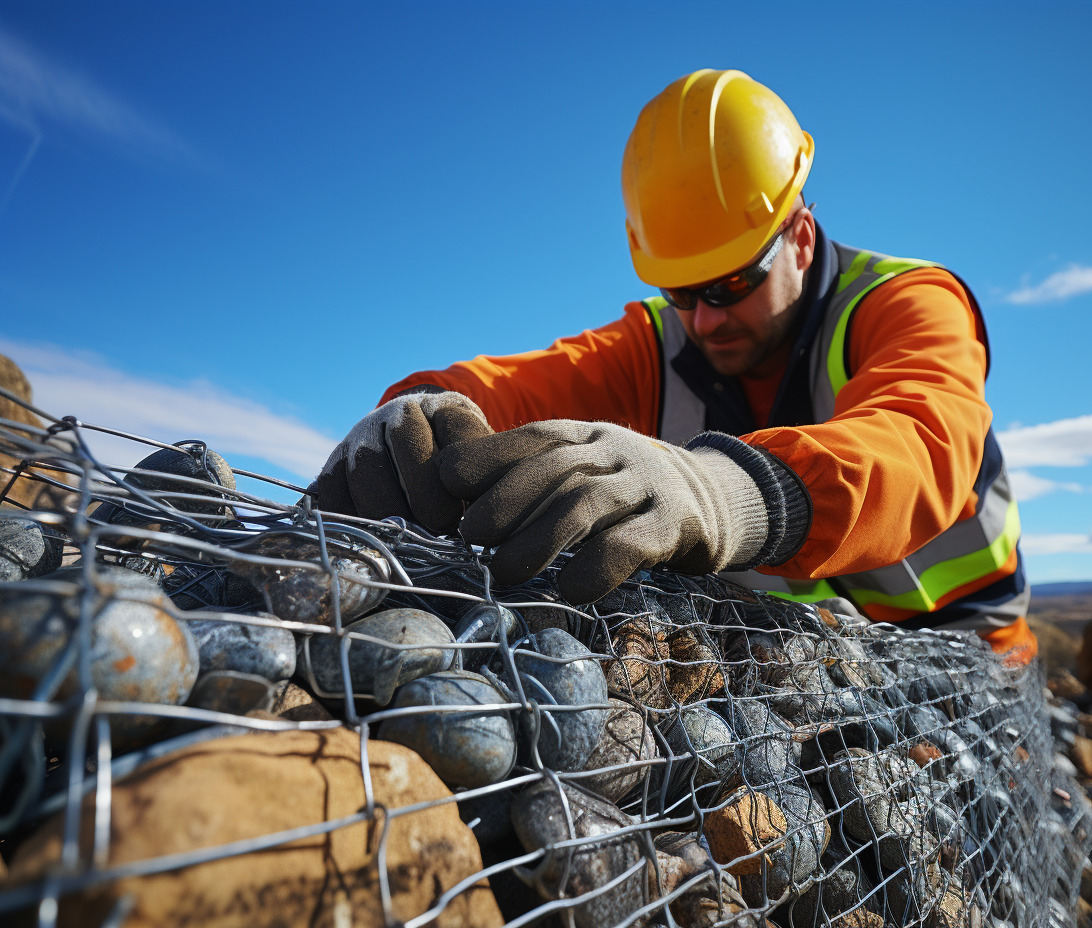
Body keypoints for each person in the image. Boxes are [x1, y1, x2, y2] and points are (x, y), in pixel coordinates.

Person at [315, 69, 1035, 662]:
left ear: (803, 238)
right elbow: (519, 382)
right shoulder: (661, 344)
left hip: (964, 647)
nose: (706, 319)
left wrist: (729, 494)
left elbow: (921, 440)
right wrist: (421, 405)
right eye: (682, 291)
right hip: (810, 659)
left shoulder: (905, 301)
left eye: (730, 285)